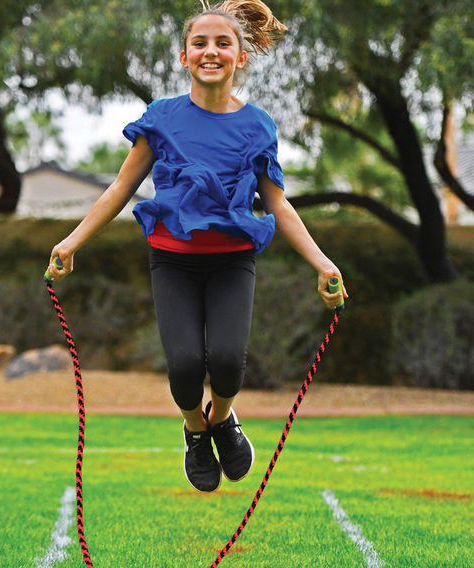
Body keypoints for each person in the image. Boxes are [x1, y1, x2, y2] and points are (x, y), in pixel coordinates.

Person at [46, 0, 348, 493]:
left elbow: (277, 204)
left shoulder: (258, 125)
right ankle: (194, 428)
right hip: (173, 261)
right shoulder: (162, 118)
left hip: (233, 261)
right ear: (184, 57)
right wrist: (71, 242)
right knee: (185, 364)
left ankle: (223, 419)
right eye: (200, 43)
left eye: (222, 43)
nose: (211, 51)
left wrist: (322, 262)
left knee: (228, 359)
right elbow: (120, 189)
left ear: (240, 58)